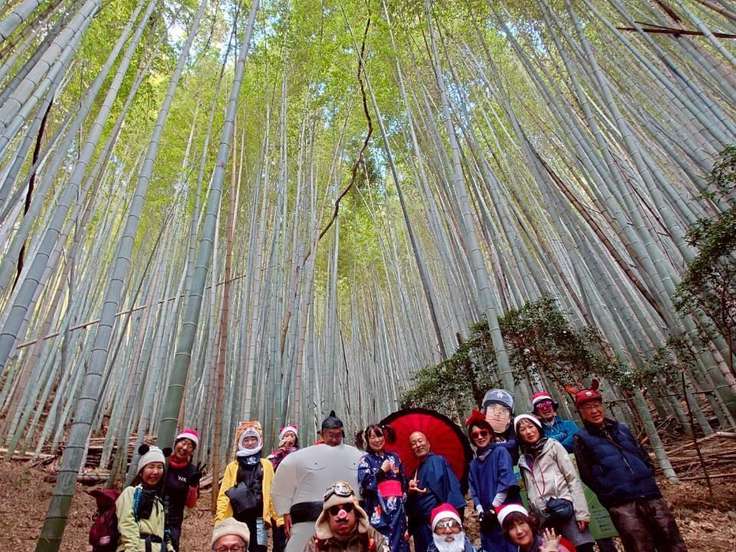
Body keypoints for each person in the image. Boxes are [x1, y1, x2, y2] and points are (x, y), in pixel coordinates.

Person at [571, 381, 687, 552]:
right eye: (588, 408)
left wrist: (647, 476)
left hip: (650, 495)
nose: (594, 411)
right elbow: (587, 475)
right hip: (622, 503)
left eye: (596, 405)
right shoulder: (581, 439)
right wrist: (610, 495)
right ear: (581, 412)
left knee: (672, 542)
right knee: (638, 546)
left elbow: (643, 455)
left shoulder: (622, 429)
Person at [272, 411, 364, 552]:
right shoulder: (299, 457)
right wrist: (285, 511)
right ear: (322, 434)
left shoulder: (357, 455)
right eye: (331, 435)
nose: (334, 439)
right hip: (308, 516)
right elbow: (283, 480)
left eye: (338, 435)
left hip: (347, 518)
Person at [514, 414, 594, 552]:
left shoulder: (553, 446)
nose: (528, 432)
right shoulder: (523, 460)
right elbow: (530, 491)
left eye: (531, 426)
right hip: (544, 517)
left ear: (538, 428)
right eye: (522, 429)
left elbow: (572, 479)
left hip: (566, 509)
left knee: (582, 548)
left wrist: (581, 512)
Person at [216, 421, 276, 552]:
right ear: (240, 443)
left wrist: (279, 519)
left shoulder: (266, 465)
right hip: (237, 519)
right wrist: (220, 521)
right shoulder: (233, 466)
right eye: (246, 440)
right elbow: (224, 495)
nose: (250, 443)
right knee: (238, 548)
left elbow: (272, 493)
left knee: (260, 548)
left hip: (260, 521)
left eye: (253, 439)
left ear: (259, 440)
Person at [466, 410, 518, 552]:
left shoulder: (501, 452)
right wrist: (481, 511)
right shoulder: (473, 464)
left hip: (506, 512)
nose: (480, 437)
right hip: (487, 519)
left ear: (490, 434)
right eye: (475, 435)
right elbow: (474, 490)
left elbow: (506, 481)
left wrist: (493, 508)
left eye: (483, 433)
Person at [405, 431, 465, 552]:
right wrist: (410, 492)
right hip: (421, 527)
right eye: (413, 443)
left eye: (420, 441)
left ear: (428, 444)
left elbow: (451, 490)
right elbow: (413, 505)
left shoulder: (437, 461)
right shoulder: (415, 472)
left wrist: (450, 520)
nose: (418, 445)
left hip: (438, 522)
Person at [356, 424, 408, 552]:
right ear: (367, 440)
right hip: (378, 510)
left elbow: (403, 483)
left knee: (401, 543)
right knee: (382, 544)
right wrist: (381, 471)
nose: (377, 440)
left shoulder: (395, 457)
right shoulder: (366, 460)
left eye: (379, 436)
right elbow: (365, 486)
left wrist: (408, 485)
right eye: (372, 437)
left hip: (398, 511)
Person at [303, 480, 389, 552]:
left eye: (347, 508)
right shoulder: (316, 544)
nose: (342, 516)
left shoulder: (371, 536)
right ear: (327, 517)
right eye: (334, 511)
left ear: (356, 512)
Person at [116, 444, 173, 552]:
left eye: (159, 467)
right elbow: (127, 525)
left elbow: (164, 535)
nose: (155, 472)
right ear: (141, 472)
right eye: (151, 466)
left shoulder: (159, 502)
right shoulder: (131, 493)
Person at [164, 428, 205, 551]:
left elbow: (191, 504)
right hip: (151, 513)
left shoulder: (192, 471)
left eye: (190, 446)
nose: (185, 448)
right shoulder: (163, 461)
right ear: (176, 443)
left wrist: (193, 486)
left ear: (192, 451)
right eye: (183, 442)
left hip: (173, 520)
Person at [268, 425, 300, 552]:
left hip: (296, 502)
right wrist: (280, 453)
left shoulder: (300, 455)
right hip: (278, 504)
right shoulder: (273, 457)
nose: (289, 438)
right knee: (279, 538)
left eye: (292, 435)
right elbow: (269, 474)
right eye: (286, 435)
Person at [497, 504, 575, 552]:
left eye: (521, 523)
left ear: (530, 524)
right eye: (512, 528)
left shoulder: (554, 546)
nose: (519, 531)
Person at [482, 389, 519, 463]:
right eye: (492, 408)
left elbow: (513, 443)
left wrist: (492, 446)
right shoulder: (481, 429)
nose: (497, 413)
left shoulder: (512, 428)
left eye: (503, 410)